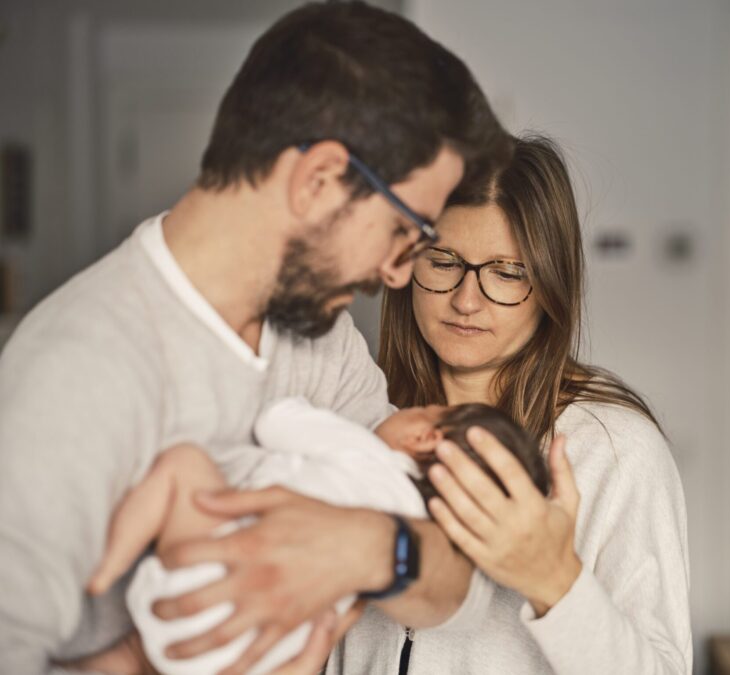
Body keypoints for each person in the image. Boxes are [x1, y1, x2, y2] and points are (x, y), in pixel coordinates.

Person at [0, 2, 512, 673]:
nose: (396, 274)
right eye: (404, 232)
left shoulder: (319, 339)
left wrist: (367, 546)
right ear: (319, 179)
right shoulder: (75, 372)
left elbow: (457, 593)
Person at [328, 135, 692, 673]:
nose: (466, 299)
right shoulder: (359, 420)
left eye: (507, 272)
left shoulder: (615, 450)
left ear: (550, 286)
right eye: (445, 260)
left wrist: (554, 582)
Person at [84, 399, 548, 675]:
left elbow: (277, 418)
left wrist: (321, 419)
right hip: (260, 656)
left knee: (183, 463)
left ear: (425, 435)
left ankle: (105, 570)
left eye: (422, 408)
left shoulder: (364, 453)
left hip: (204, 580)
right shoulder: (415, 527)